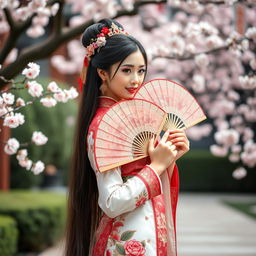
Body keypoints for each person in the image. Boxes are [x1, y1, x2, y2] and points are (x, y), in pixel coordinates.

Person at [65, 18, 190, 256]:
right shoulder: (103, 125)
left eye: (141, 70)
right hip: (124, 243)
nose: (136, 80)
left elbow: (150, 168)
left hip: (150, 233)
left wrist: (170, 156)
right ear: (102, 72)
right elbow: (111, 202)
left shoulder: (128, 118)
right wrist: (158, 165)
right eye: (127, 70)